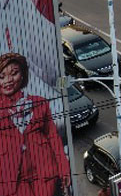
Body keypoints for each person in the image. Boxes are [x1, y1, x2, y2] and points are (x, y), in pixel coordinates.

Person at [0, 51, 72, 196]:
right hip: (12, 181)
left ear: (23, 75)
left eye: (14, 73)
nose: (8, 80)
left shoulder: (40, 103)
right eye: (1, 77)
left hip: (45, 174)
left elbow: (53, 138)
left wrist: (64, 168)